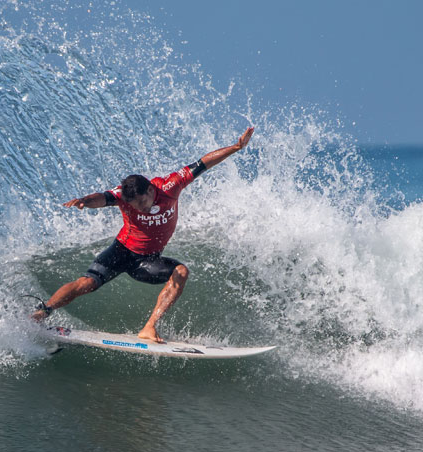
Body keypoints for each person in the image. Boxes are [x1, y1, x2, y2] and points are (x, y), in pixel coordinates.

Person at [31, 126, 255, 343]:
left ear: (150, 191)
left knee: (181, 272)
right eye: (133, 205)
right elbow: (102, 197)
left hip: (147, 262)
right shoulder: (123, 195)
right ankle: (42, 312)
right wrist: (84, 202)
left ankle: (149, 327)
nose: (138, 209)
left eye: (141, 203)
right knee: (85, 283)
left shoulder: (170, 187)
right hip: (120, 251)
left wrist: (236, 147)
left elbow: (203, 163)